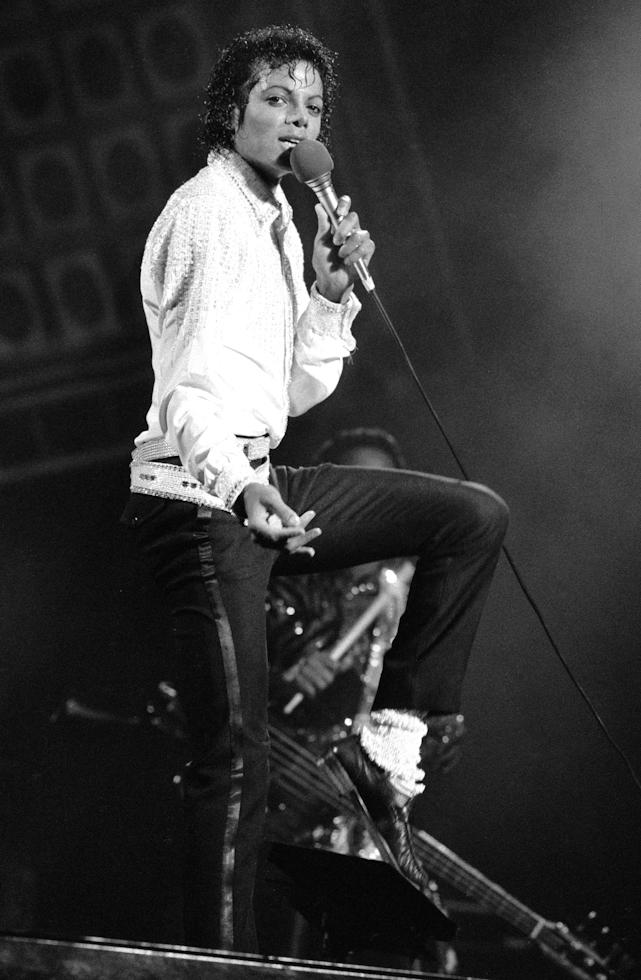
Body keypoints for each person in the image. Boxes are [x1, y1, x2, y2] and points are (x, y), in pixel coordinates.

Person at [120, 24, 508, 954]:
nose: (298, 121)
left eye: (312, 108)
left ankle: (391, 734)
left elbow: (291, 390)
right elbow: (190, 391)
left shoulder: (278, 221)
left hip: (253, 473)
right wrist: (239, 487)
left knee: (469, 517)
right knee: (235, 754)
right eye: (275, 101)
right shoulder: (208, 212)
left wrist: (330, 298)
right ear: (231, 113)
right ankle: (215, 961)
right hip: (196, 494)